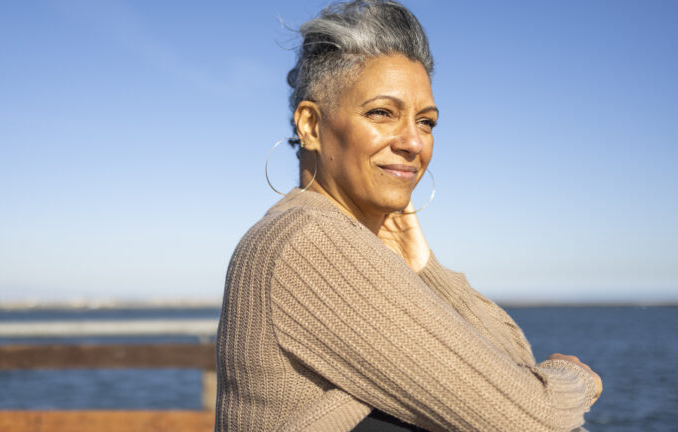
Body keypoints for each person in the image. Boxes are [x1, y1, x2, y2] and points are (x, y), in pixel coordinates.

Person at [215, 1, 603, 431]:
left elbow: (515, 366)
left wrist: (424, 267)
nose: (414, 143)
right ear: (310, 124)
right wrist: (577, 377)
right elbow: (536, 419)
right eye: (382, 113)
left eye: (426, 121)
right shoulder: (309, 242)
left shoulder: (330, 237)